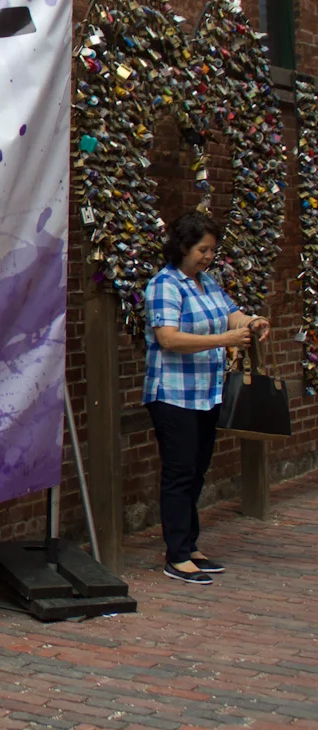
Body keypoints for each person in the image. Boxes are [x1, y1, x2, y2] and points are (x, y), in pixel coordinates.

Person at [143, 211, 269, 584]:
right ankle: (177, 555)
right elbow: (168, 338)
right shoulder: (165, 285)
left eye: (213, 250)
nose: (209, 256)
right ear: (183, 246)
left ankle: (190, 544)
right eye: (203, 249)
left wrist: (252, 322)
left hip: (206, 393)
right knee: (179, 472)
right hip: (173, 395)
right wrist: (223, 340)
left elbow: (232, 315)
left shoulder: (207, 282)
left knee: (197, 471)